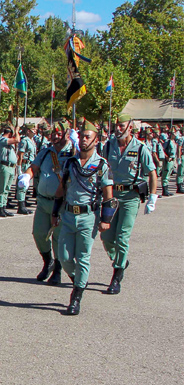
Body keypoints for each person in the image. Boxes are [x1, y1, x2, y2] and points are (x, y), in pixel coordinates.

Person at [52, 121, 114, 315]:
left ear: (96, 140)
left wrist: (106, 219)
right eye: (81, 136)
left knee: (83, 257)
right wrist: (55, 212)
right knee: (64, 257)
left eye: (87, 136)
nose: (83, 139)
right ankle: (79, 280)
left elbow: (108, 195)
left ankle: (76, 297)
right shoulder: (71, 163)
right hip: (69, 215)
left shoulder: (102, 164)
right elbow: (61, 189)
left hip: (89, 216)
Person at [99, 113, 158, 295]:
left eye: (121, 125)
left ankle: (117, 275)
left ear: (129, 128)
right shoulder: (108, 146)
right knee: (107, 237)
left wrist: (152, 198)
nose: (117, 128)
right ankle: (122, 260)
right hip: (111, 196)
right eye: (116, 125)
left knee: (123, 236)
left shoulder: (140, 149)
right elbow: (99, 167)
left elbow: (152, 173)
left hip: (130, 197)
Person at [18, 121, 75, 284]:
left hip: (61, 203)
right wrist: (27, 176)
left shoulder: (72, 152)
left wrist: (76, 147)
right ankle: (47, 261)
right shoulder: (45, 152)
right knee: (39, 234)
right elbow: (33, 167)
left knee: (57, 237)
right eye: (52, 133)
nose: (55, 136)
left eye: (58, 133)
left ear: (66, 133)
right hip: (43, 201)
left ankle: (57, 270)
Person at [0, 126, 20, 217]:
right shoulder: (2, 140)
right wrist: (17, 131)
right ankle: (0, 207)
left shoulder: (8, 141)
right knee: (2, 188)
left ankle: (4, 206)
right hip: (5, 166)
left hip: (11, 167)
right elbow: (17, 140)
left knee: (7, 188)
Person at [16, 124, 37, 214]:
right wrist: (19, 168)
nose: (35, 131)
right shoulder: (24, 141)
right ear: (28, 131)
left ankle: (23, 203)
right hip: (25, 164)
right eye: (33, 129)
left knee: (26, 186)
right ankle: (21, 206)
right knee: (22, 186)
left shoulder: (32, 141)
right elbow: (20, 155)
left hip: (30, 164)